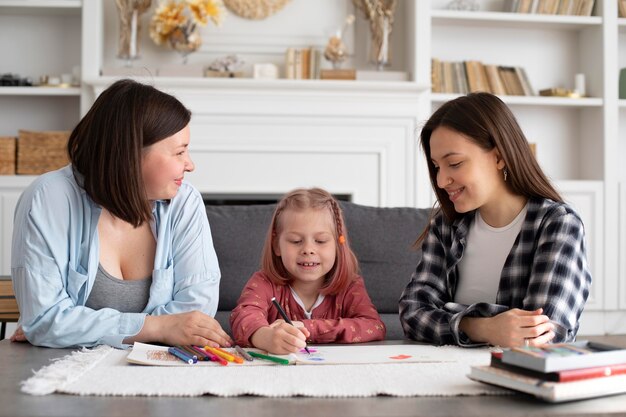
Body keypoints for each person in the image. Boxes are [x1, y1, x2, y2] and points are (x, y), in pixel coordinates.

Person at [11, 79, 232, 349]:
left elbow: (197, 313)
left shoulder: (184, 203)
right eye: (180, 152)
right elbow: (46, 321)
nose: (190, 164)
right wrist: (158, 327)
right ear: (131, 154)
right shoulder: (48, 199)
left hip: (163, 370)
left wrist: (76, 327)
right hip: (67, 371)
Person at [399, 92, 591, 348]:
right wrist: (485, 328)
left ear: (499, 157)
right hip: (440, 370)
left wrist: (450, 315)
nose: (442, 181)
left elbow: (541, 334)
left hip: (517, 377)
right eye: (436, 167)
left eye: (454, 164)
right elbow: (412, 313)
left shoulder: (557, 225)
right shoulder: (445, 226)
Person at [230, 188, 385, 354]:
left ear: (338, 245)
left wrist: (308, 327)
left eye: (320, 240)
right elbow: (243, 317)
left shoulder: (350, 286)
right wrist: (265, 337)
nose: (308, 249)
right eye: (296, 241)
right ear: (276, 245)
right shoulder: (264, 282)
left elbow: (374, 326)